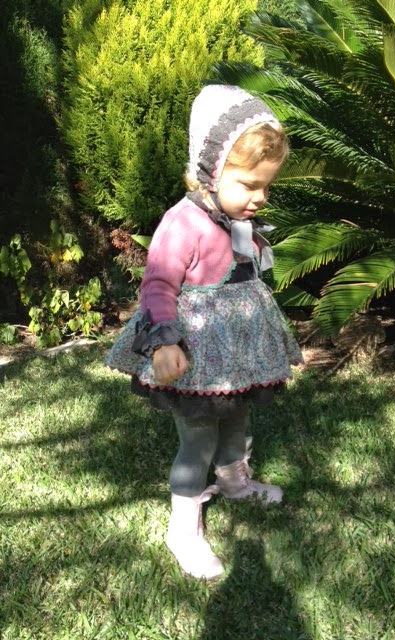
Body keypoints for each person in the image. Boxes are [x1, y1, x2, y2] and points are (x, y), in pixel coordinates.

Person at [106, 84, 302, 580]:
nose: (259, 198)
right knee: (198, 439)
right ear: (210, 172)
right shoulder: (184, 223)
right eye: (248, 185)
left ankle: (235, 483)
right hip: (196, 358)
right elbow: (157, 285)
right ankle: (183, 531)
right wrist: (165, 342)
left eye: (266, 187)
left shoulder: (237, 218)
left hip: (237, 357)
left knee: (236, 419)